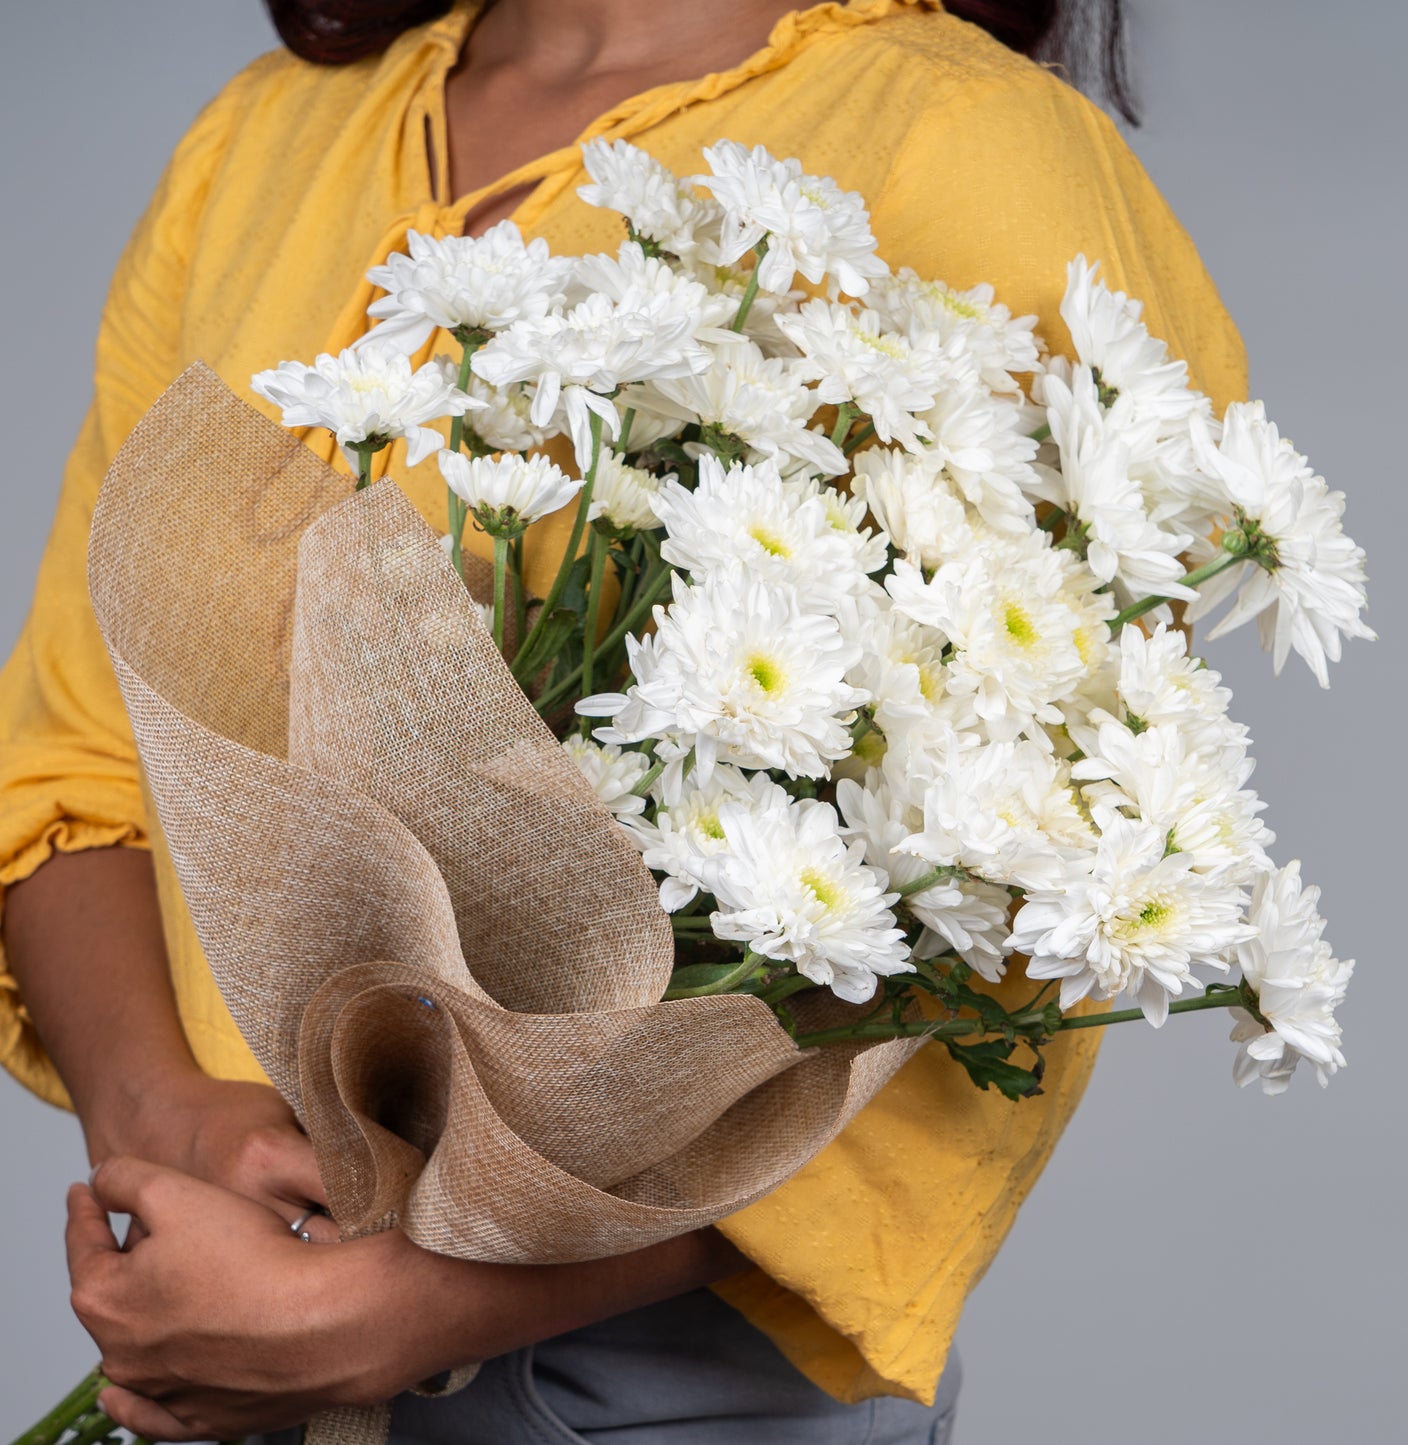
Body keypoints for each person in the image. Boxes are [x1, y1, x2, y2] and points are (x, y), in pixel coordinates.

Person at [0, 0, 1246, 1438]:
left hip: (635, 1383)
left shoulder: (962, 150)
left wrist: (418, 1302)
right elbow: (74, 761)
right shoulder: (263, 139)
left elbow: (1025, 901)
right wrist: (160, 1122)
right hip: (221, 1319)